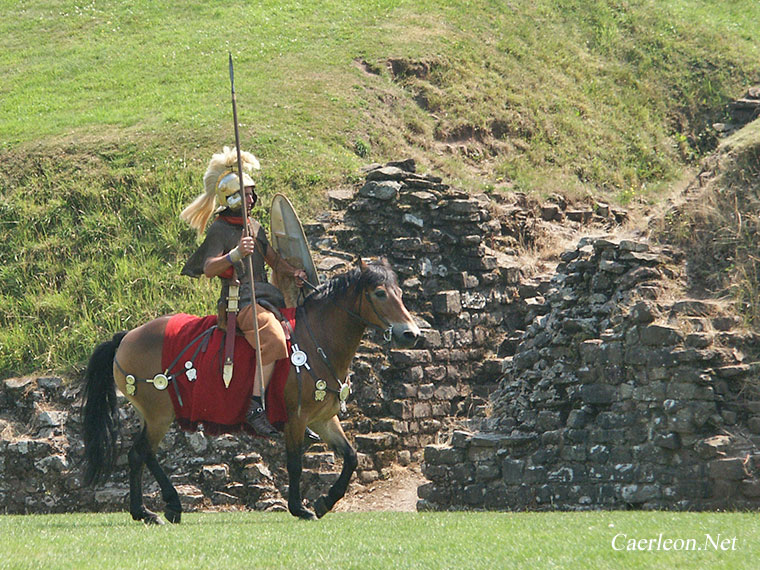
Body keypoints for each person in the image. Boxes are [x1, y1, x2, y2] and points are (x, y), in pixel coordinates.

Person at [180, 146, 308, 437]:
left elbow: (273, 259)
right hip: (239, 304)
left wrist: (294, 272)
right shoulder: (220, 230)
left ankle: (290, 410)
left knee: (302, 340)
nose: (251, 199)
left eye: (252, 193)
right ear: (232, 198)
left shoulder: (254, 225)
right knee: (274, 338)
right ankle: (254, 408)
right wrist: (235, 254)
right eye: (246, 194)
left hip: (266, 299)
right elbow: (209, 267)